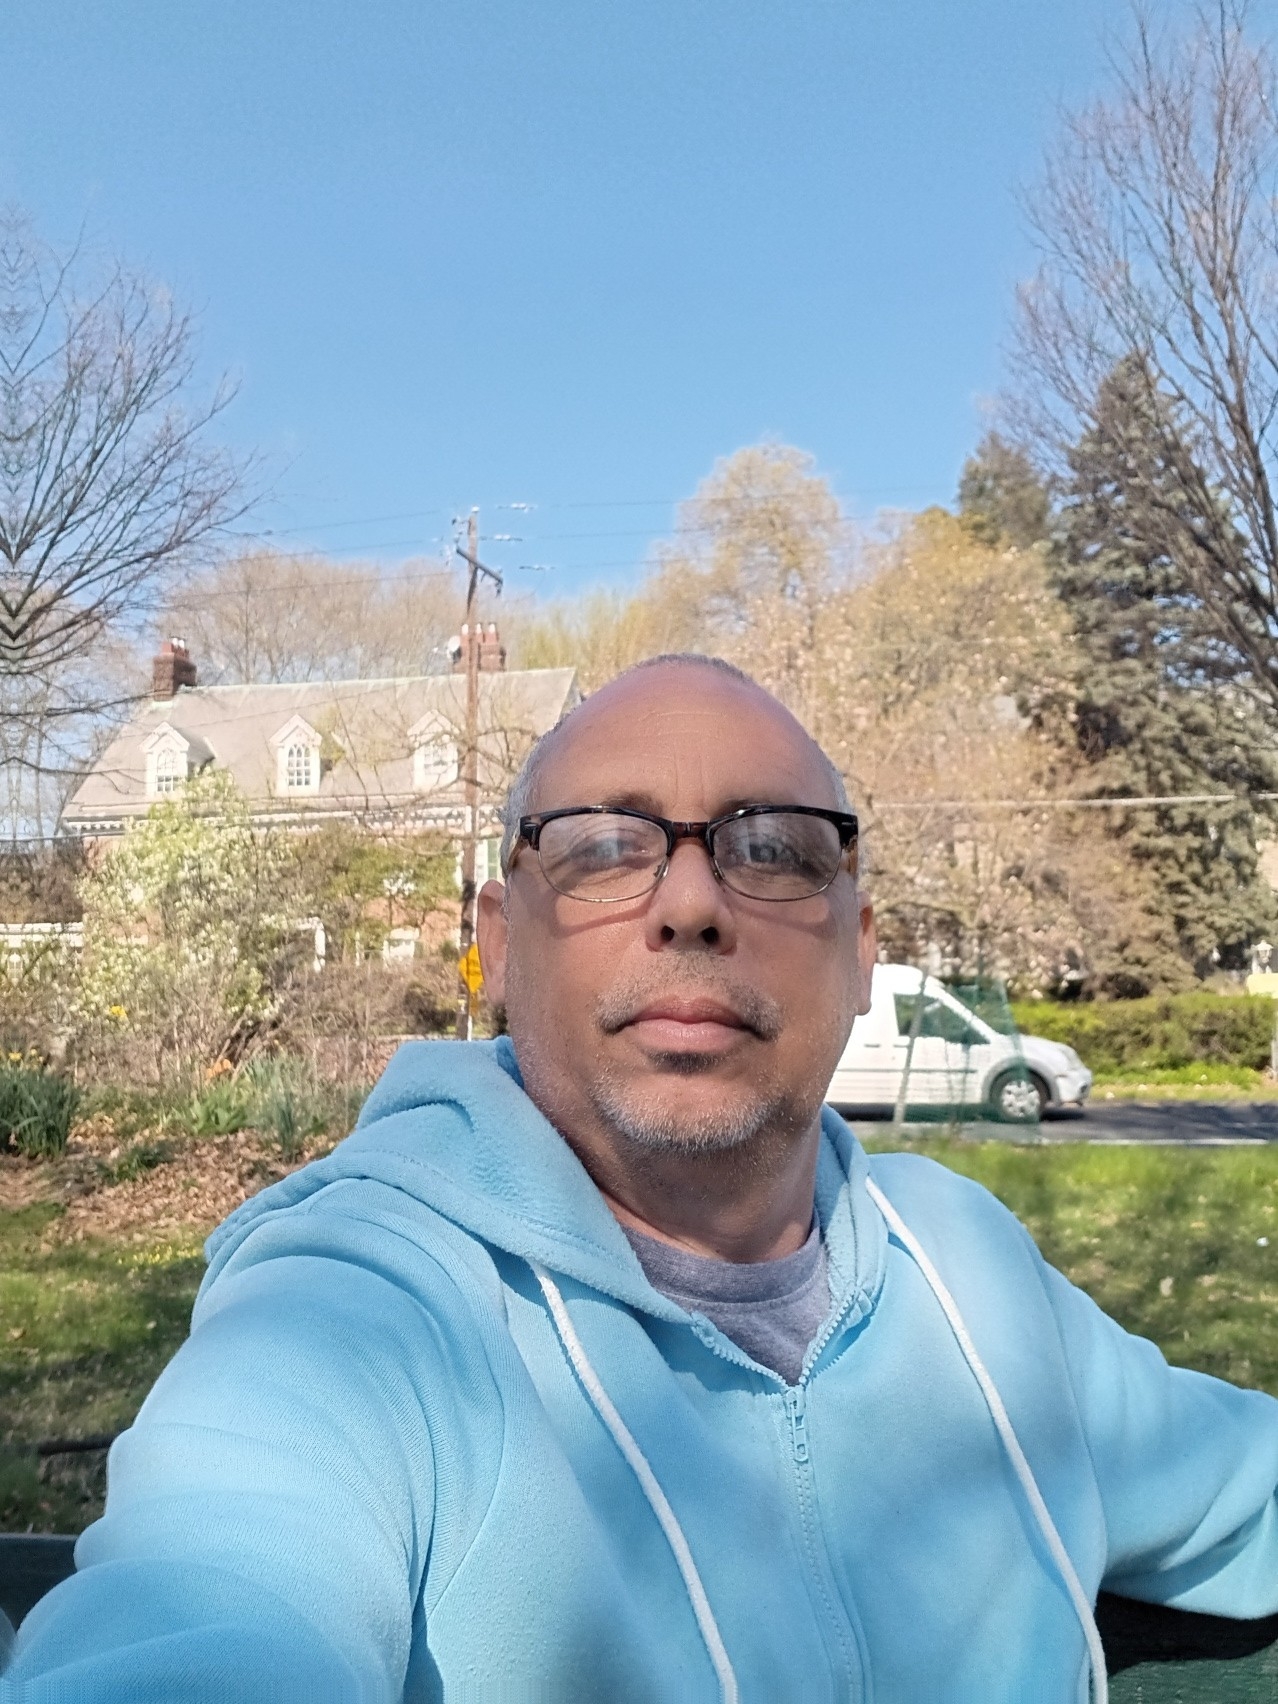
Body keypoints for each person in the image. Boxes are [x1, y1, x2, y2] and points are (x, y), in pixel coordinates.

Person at [5, 654, 1278, 1703]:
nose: (690, 902)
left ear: (860, 952)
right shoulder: (351, 1317)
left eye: (773, 847)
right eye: (605, 847)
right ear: (501, 942)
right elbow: (198, 1617)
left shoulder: (974, 1273)